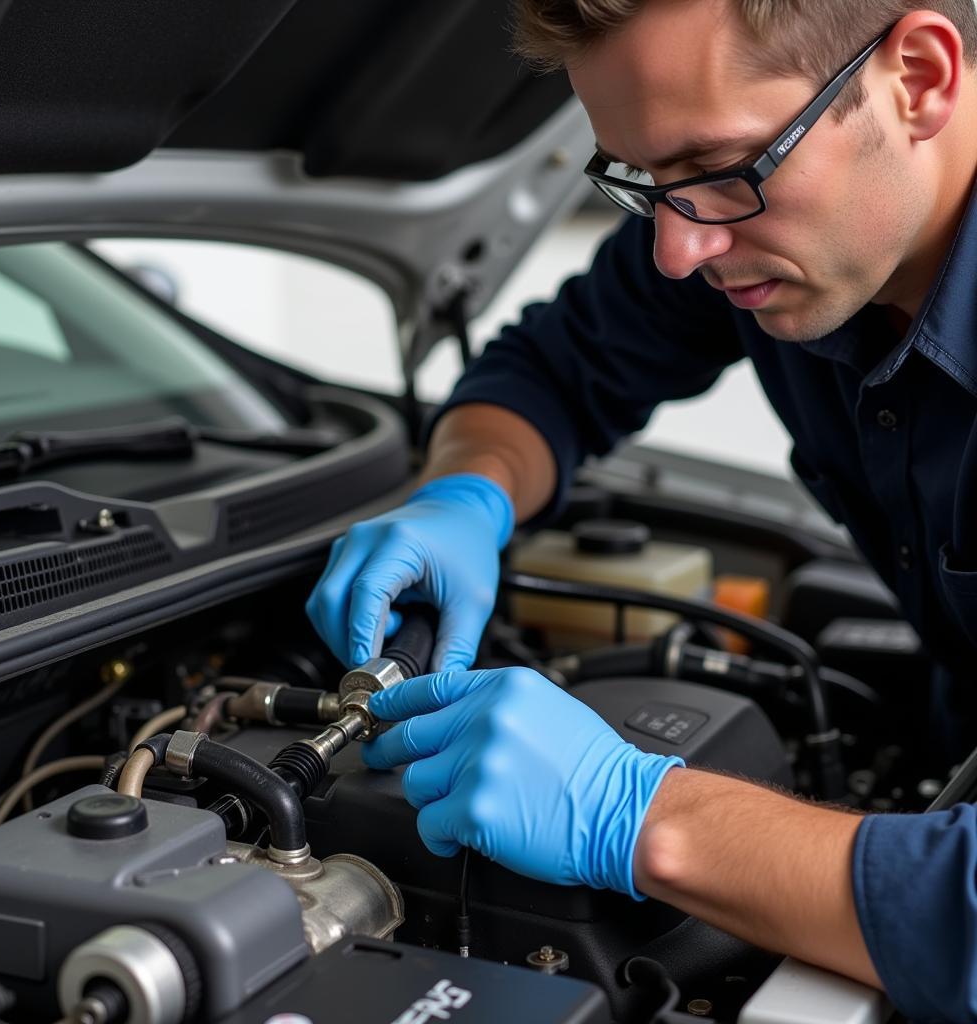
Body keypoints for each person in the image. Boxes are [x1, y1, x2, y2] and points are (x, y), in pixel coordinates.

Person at [307, 2, 977, 1019]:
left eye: (714, 169)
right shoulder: (740, 228)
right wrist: (467, 491)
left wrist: (638, 817)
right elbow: (550, 371)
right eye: (642, 182)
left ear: (919, 78)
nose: (677, 250)